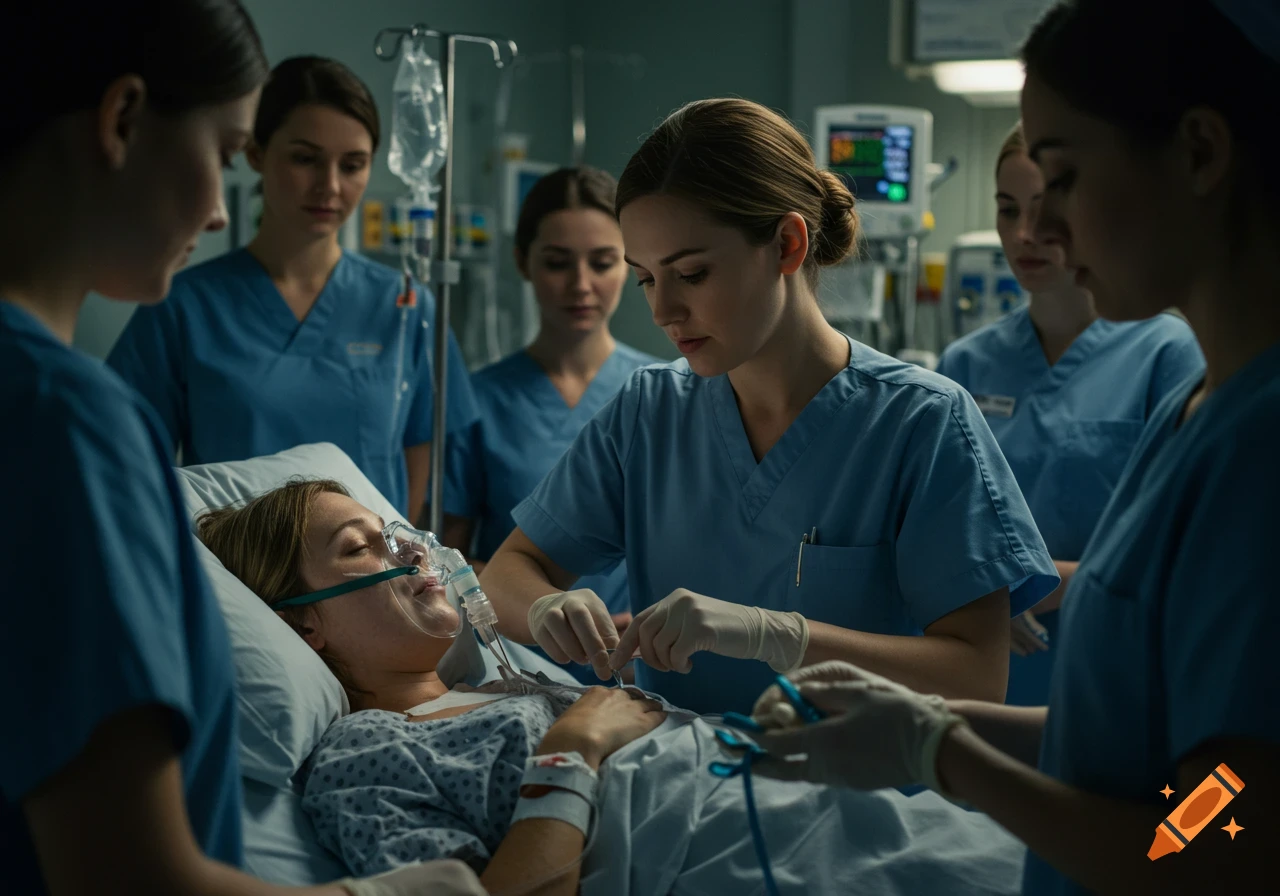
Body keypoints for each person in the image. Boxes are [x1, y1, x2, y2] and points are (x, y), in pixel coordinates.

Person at [734, 2, 1280, 894]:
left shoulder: (1260, 449)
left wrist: (950, 759)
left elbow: (1219, 820)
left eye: (1062, 178)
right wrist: (927, 718)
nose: (1042, 231)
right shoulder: (1199, 407)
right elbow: (1121, 751)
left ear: (1200, 153)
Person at [0, 3, 483, 895]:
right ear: (121, 121)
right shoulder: (70, 422)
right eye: (228, 155)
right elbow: (124, 869)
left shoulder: (403, 307)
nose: (222, 211)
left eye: (352, 164)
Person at [477, 98, 1060, 716]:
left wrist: (776, 635)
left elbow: (976, 675)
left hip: (856, 797)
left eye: (692, 273)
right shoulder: (650, 412)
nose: (662, 310)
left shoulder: (919, 422)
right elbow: (510, 568)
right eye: (648, 278)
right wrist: (545, 605)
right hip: (678, 784)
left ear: (786, 243)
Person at [197, 480, 1030, 896]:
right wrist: (574, 749)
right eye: (359, 550)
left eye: (396, 535)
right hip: (754, 861)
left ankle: (1167, 810)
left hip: (815, 805)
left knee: (1101, 843)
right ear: (303, 626)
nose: (411, 553)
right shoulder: (363, 759)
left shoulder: (507, 681)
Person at [107, 55, 478, 523]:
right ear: (256, 153)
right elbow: (128, 464)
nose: (330, 186)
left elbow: (420, 457)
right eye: (305, 159)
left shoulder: (405, 306)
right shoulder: (183, 306)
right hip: (237, 581)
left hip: (374, 579)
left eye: (353, 164)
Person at [934, 122, 1204, 706]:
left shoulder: (1167, 354)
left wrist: (1027, 588)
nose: (1026, 234)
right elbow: (935, 531)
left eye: (1045, 207)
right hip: (990, 674)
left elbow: (1183, 550)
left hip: (1118, 660)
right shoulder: (966, 364)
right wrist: (976, 601)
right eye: (1008, 211)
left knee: (1146, 793)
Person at [443, 167, 659, 682]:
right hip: (517, 667)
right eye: (558, 263)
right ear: (524, 262)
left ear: (628, 264)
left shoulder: (663, 394)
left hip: (650, 662)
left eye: (603, 262)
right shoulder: (477, 398)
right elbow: (447, 562)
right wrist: (540, 608)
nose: (581, 285)